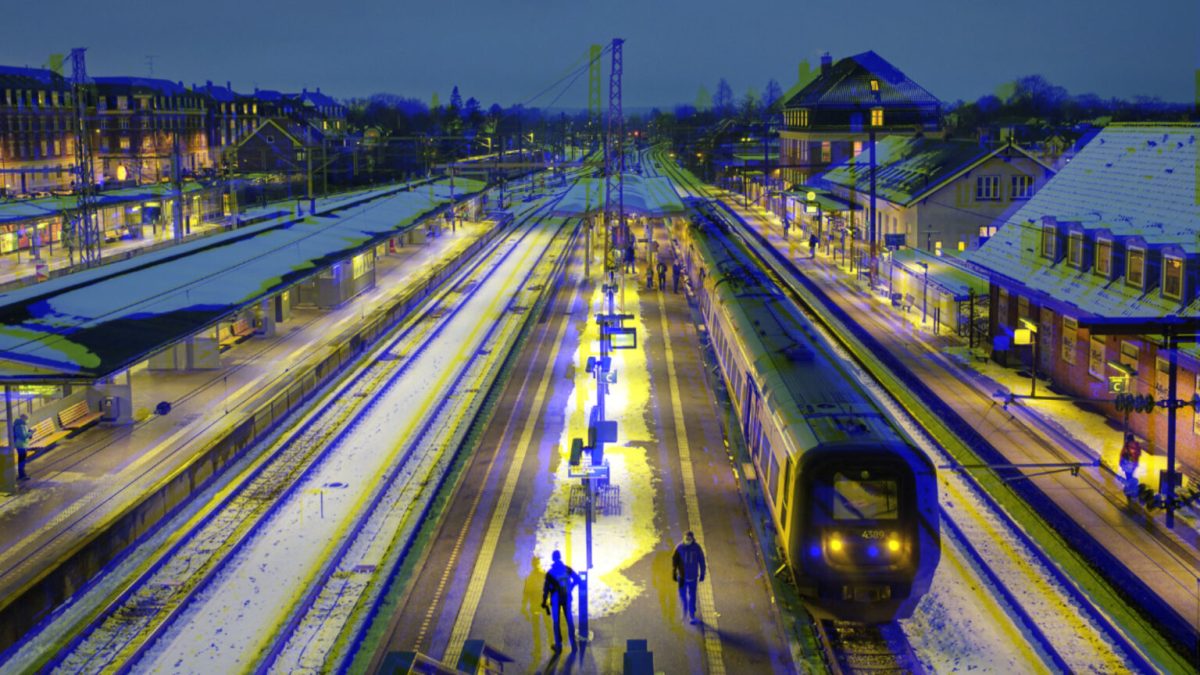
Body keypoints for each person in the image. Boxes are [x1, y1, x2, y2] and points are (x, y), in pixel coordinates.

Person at [541, 550, 581, 652]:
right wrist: (570, 587)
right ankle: (574, 645)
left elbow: (546, 589)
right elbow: (577, 579)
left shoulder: (550, 573)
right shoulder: (566, 569)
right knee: (569, 621)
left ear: (553, 559)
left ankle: (558, 646)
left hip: (555, 599)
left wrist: (544, 601)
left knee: (556, 622)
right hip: (567, 597)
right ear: (560, 557)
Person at [672, 531, 706, 624]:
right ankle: (685, 612)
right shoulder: (681, 548)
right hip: (683, 577)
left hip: (691, 577)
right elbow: (674, 561)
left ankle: (690, 615)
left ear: (692, 539)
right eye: (686, 538)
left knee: (691, 597)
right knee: (684, 596)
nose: (687, 540)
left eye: (689, 539)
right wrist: (674, 572)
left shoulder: (695, 548)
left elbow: (702, 562)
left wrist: (703, 573)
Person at [12, 413, 31, 481]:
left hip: (22, 444)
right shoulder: (20, 426)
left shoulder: (21, 425)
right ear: (23, 418)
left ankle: (22, 474)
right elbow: (23, 436)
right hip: (21, 445)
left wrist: (29, 432)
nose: (27, 420)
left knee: (22, 460)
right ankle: (22, 475)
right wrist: (31, 433)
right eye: (26, 419)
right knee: (22, 460)